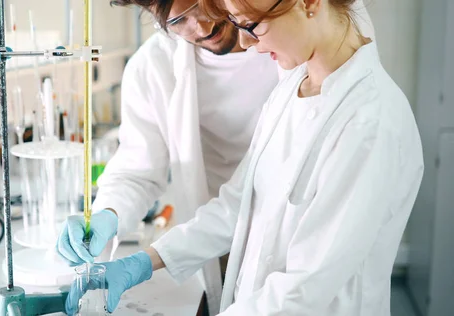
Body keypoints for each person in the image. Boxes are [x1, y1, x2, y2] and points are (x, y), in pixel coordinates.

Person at [63, 0, 425, 314]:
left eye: (250, 24)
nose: (247, 41)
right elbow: (237, 203)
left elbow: (306, 287)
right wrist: (145, 261)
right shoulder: (291, 90)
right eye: (178, 21)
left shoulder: (369, 122)